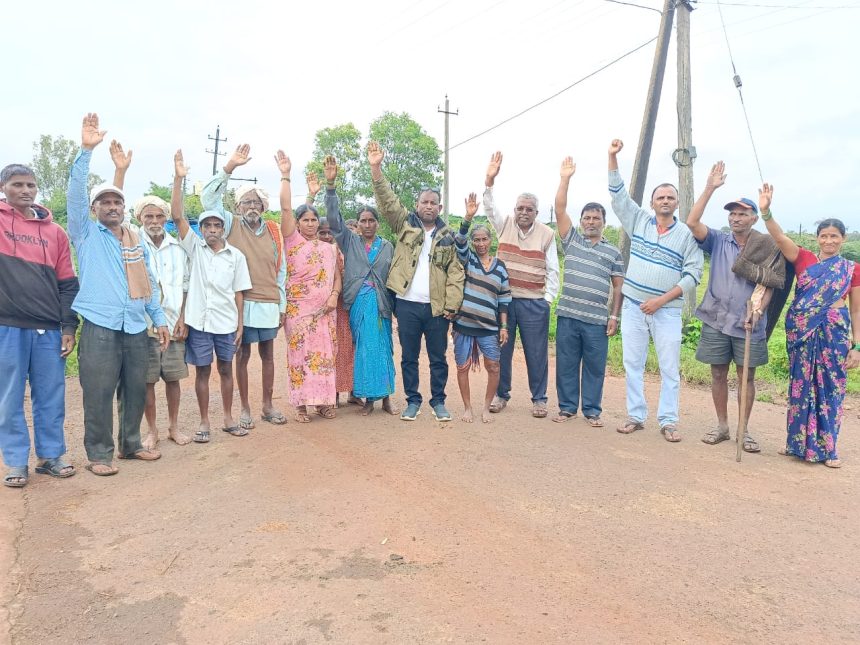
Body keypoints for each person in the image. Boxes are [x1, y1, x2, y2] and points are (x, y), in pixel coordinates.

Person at [67, 113, 168, 476]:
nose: (112, 207)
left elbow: (150, 282)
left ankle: (130, 445)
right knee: (98, 392)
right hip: (100, 327)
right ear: (94, 210)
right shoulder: (86, 234)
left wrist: (158, 318)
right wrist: (86, 151)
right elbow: (75, 195)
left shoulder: (133, 239)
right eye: (105, 203)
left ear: (124, 210)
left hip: (136, 326)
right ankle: (99, 454)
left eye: (117, 203)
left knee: (135, 389)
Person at [608, 139, 704, 442]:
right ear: (652, 203)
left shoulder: (687, 236)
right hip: (634, 306)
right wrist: (612, 157)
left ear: (676, 203)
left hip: (667, 311)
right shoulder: (639, 221)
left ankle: (668, 421)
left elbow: (693, 275)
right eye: (660, 197)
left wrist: (661, 300)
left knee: (669, 368)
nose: (664, 201)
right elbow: (618, 196)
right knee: (632, 363)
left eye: (670, 197)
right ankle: (636, 416)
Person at [686, 162, 781, 452]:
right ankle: (723, 426)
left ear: (754, 218)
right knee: (717, 373)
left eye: (742, 213)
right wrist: (710, 187)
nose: (736, 217)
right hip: (716, 319)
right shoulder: (717, 240)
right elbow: (692, 222)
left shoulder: (767, 245)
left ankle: (744, 429)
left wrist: (759, 310)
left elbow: (771, 283)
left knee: (746, 376)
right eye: (732, 213)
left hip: (749, 322)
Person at [761, 188, 859, 467]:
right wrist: (766, 211)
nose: (829, 240)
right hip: (802, 332)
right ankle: (796, 443)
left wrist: (858, 346)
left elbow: (856, 309)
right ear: (817, 238)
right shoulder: (804, 259)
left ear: (843, 239)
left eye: (834, 236)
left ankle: (829, 450)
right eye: (824, 235)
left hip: (834, 335)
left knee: (831, 389)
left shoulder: (852, 269)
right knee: (800, 386)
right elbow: (779, 237)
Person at [368, 141, 465, 422]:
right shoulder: (404, 224)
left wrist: (452, 305)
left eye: (433, 202)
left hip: (436, 309)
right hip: (407, 304)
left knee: (438, 358)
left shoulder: (448, 235)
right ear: (417, 204)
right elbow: (386, 201)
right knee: (409, 356)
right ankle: (413, 401)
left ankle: (438, 402)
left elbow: (456, 273)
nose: (428, 206)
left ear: (440, 206)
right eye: (424, 201)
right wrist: (376, 168)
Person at [0, 164, 79, 487]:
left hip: (48, 328)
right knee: (9, 397)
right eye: (17, 184)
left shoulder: (54, 232)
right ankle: (16, 461)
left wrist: (68, 327)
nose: (25, 190)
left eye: (31, 184)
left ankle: (50, 456)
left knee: (50, 396)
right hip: (7, 327)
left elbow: (68, 284)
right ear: (4, 188)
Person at [109, 140, 191, 450]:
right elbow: (114, 211)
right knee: (146, 383)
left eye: (159, 217)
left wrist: (182, 319)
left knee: (173, 380)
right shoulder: (131, 240)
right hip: (141, 326)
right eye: (149, 217)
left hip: (172, 325)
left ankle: (173, 427)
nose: (154, 222)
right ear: (140, 219)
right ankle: (152, 430)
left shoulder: (176, 247)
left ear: (165, 219)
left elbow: (184, 286)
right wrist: (120, 172)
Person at [202, 144, 288, 430]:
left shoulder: (273, 230)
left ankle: (267, 405)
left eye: (256, 203)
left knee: (268, 355)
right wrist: (229, 167)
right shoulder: (229, 224)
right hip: (239, 304)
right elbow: (208, 200)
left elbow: (282, 270)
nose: (252, 207)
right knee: (242, 355)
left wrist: (282, 305)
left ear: (264, 206)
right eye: (246, 203)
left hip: (268, 302)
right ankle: (245, 408)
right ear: (238, 207)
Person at [171, 151, 251, 443]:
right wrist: (179, 178)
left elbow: (239, 292)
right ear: (201, 229)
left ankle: (228, 418)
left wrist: (241, 324)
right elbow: (177, 216)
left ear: (223, 229)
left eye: (217, 226)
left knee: (226, 370)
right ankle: (204, 422)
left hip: (226, 322)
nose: (213, 230)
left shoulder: (236, 256)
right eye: (208, 226)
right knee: (202, 372)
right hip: (200, 323)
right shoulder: (194, 248)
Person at [482, 152, 560, 419]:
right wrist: (489, 180)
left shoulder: (547, 234)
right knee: (501, 350)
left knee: (536, 352)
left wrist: (546, 300)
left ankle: (539, 399)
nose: (523, 213)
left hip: (534, 302)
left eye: (529, 209)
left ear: (536, 213)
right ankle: (502, 395)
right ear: (514, 210)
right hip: (504, 302)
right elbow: (489, 207)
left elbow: (553, 271)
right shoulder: (504, 226)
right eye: (520, 208)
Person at [322, 155, 398, 416]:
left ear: (377, 223)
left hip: (381, 306)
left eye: (371, 220)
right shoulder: (349, 242)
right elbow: (333, 220)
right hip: (358, 304)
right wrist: (330, 187)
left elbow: (394, 277)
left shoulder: (387, 246)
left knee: (384, 349)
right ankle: (368, 400)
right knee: (365, 351)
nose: (366, 224)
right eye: (363, 221)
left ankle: (387, 397)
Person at [552, 156, 624, 427]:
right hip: (568, 315)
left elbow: (619, 287)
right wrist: (565, 179)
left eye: (596, 218)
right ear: (581, 221)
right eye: (587, 217)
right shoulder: (571, 240)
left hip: (596, 321)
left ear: (604, 222)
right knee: (566, 365)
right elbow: (559, 210)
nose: (591, 221)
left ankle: (592, 411)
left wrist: (614, 317)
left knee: (594, 368)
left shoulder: (613, 252)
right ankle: (567, 408)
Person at [275, 150, 340, 423]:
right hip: (299, 312)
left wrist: (334, 295)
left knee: (325, 355)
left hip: (326, 311)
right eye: (306, 220)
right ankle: (301, 405)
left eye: (314, 220)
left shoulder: (329, 248)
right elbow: (287, 208)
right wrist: (286, 175)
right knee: (301, 357)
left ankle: (323, 402)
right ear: (298, 224)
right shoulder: (292, 242)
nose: (311, 224)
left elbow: (337, 275)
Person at [453, 193, 511, 423]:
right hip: (464, 324)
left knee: (494, 366)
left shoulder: (500, 267)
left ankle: (486, 407)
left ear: (490, 240)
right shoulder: (469, 260)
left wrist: (504, 327)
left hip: (489, 326)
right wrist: (467, 217)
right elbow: (459, 240)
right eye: (476, 239)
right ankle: (467, 407)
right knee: (462, 367)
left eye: (484, 239)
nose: (480, 243)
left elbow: (504, 299)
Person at [311, 173, 359, 408]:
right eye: (323, 232)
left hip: (345, 308)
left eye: (330, 232)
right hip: (323, 309)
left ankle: (350, 391)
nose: (327, 235)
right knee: (329, 351)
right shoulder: (314, 251)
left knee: (347, 351)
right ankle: (331, 394)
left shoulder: (343, 251)